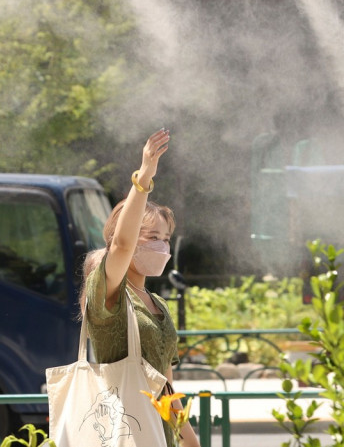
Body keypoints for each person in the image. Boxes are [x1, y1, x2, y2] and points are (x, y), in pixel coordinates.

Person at [80, 128, 199, 447]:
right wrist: (144, 176)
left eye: (165, 239)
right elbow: (120, 245)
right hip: (124, 433)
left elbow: (166, 386)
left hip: (158, 436)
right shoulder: (111, 293)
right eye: (152, 238)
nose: (162, 247)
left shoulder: (157, 302)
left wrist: (188, 439)